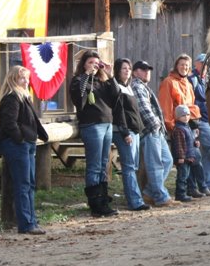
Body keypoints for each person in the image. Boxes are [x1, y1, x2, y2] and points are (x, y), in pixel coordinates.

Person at [0, 66, 49, 234]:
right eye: (22, 79)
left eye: (27, 79)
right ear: (14, 79)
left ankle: (31, 219)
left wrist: (40, 135)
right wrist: (20, 138)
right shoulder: (12, 98)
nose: (26, 82)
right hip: (17, 144)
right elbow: (9, 122)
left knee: (29, 184)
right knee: (23, 184)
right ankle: (26, 223)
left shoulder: (24, 97)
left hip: (26, 143)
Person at [69, 50, 119, 217]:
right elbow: (79, 99)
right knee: (95, 165)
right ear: (83, 64)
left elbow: (116, 97)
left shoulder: (102, 81)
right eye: (91, 62)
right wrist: (86, 75)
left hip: (106, 124)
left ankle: (104, 200)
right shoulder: (78, 80)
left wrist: (111, 76)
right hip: (92, 125)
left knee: (105, 164)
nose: (94, 66)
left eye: (96, 63)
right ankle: (95, 204)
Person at [158, 54, 210, 197]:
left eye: (187, 65)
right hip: (178, 126)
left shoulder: (188, 83)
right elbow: (166, 105)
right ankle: (184, 190)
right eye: (182, 64)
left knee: (194, 157)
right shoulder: (169, 82)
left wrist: (195, 125)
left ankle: (194, 187)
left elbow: (192, 105)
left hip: (190, 124)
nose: (184, 67)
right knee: (184, 160)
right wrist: (171, 126)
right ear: (176, 66)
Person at [130, 60, 177, 207]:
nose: (147, 72)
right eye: (143, 69)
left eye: (148, 69)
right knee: (155, 165)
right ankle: (161, 197)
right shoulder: (137, 86)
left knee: (167, 160)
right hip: (150, 130)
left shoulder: (144, 86)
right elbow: (143, 108)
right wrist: (155, 124)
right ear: (135, 72)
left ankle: (150, 193)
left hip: (156, 131)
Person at [111, 58, 149, 211]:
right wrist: (125, 131)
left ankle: (136, 197)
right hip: (123, 132)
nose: (126, 71)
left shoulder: (129, 87)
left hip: (135, 131)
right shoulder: (117, 87)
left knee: (133, 166)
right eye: (123, 68)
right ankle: (134, 201)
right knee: (128, 167)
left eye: (128, 68)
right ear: (118, 71)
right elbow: (118, 112)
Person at [188, 53, 210, 193]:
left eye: (207, 63)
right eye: (202, 63)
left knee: (207, 152)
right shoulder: (192, 79)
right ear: (196, 64)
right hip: (201, 119)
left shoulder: (208, 78)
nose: (205, 65)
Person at [170, 105, 207, 202]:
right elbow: (179, 145)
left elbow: (189, 140)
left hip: (189, 157)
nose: (186, 117)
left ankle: (186, 192)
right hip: (183, 158)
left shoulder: (187, 127)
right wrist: (180, 157)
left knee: (186, 176)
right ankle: (180, 194)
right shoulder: (178, 129)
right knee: (182, 177)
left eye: (187, 115)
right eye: (183, 115)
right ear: (178, 117)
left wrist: (195, 143)